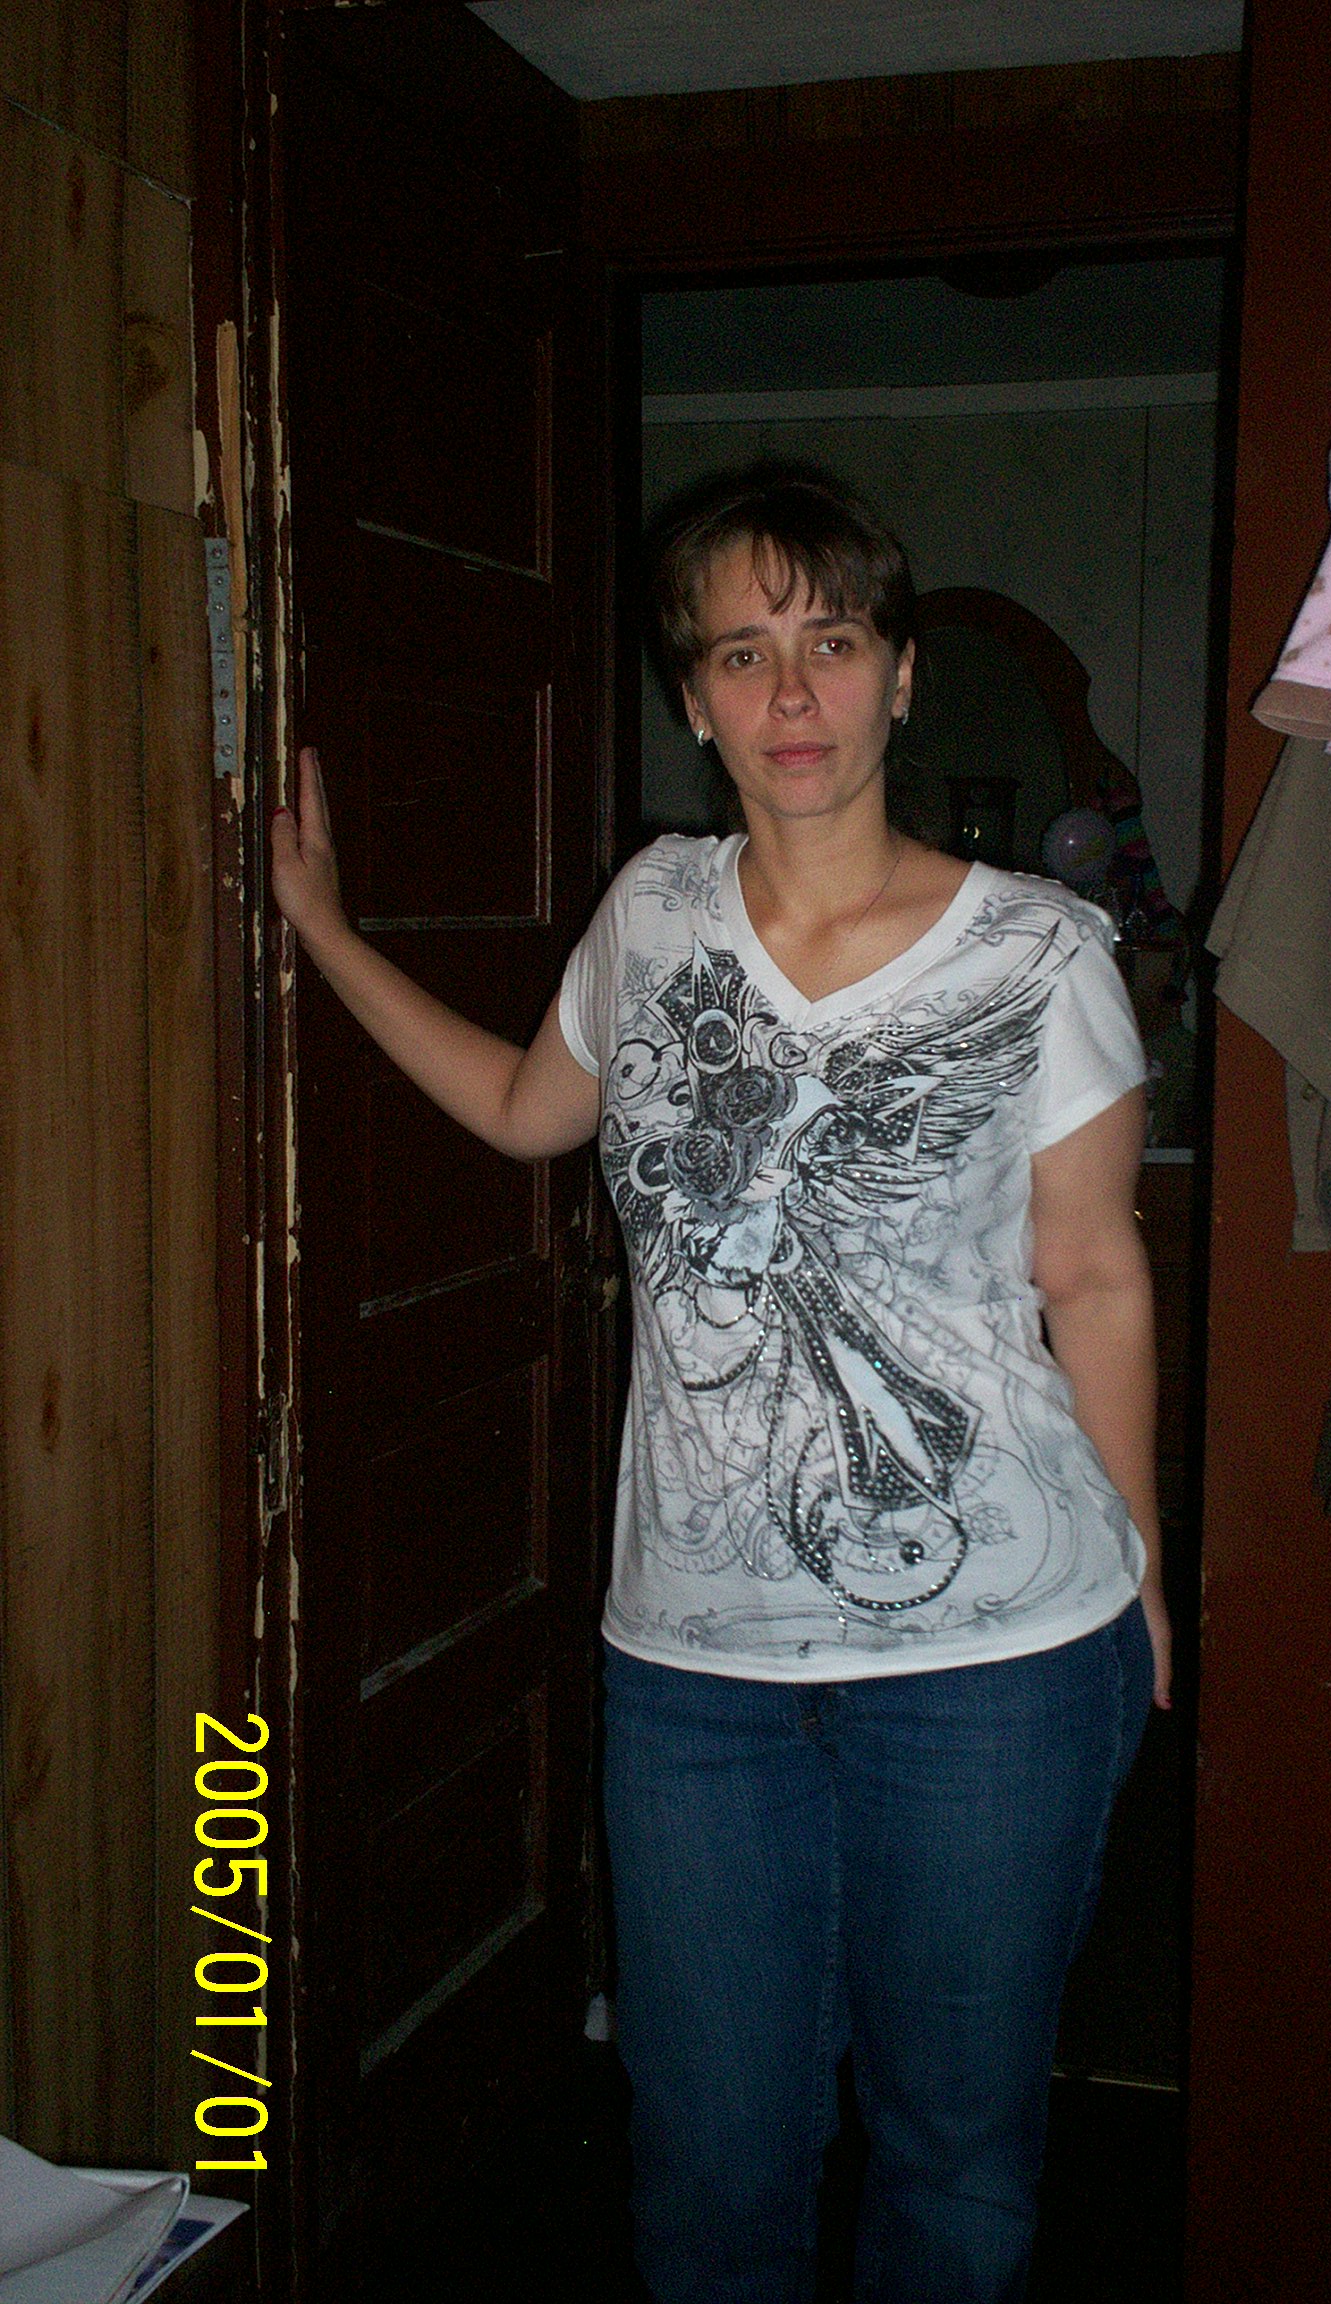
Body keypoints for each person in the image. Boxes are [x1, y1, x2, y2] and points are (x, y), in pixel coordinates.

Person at [272, 463, 1172, 2304]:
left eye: (830, 642)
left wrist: (1146, 1567)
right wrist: (330, 934)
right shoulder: (654, 914)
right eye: (742, 654)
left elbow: (1091, 1274)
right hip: (694, 1678)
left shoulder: (1039, 950)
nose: (790, 696)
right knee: (707, 2167)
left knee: (954, 2157)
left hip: (996, 1657)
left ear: (900, 673)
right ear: (691, 698)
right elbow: (527, 1109)